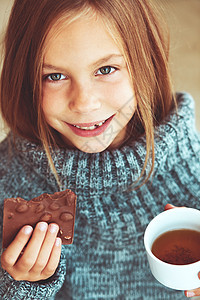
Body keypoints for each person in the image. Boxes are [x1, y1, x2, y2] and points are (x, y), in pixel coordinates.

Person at [0, 0, 200, 299]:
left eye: (106, 69)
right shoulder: (9, 184)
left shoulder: (193, 172)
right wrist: (21, 287)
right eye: (54, 76)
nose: (84, 103)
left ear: (147, 63)